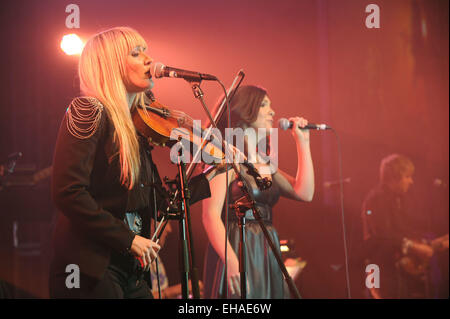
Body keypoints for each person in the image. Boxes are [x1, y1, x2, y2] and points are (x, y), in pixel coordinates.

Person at [49, 27, 218, 298]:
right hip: (91, 269)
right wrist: (128, 239)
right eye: (136, 53)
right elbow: (68, 192)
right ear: (111, 64)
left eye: (146, 51)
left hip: (131, 271)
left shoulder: (136, 125)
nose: (149, 59)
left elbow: (163, 205)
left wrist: (210, 174)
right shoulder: (87, 110)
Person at [202, 85, 315, 299]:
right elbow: (210, 216)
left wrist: (303, 142)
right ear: (245, 110)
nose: (272, 112)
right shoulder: (223, 154)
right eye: (264, 105)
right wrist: (231, 261)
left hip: (265, 246)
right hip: (237, 245)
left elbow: (305, 193)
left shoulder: (263, 162)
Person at [361, 154, 448, 299]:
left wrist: (430, 244)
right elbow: (381, 236)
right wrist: (415, 247)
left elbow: (402, 232)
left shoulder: (398, 199)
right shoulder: (376, 199)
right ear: (395, 177)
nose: (411, 181)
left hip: (395, 273)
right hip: (380, 271)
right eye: (407, 176)